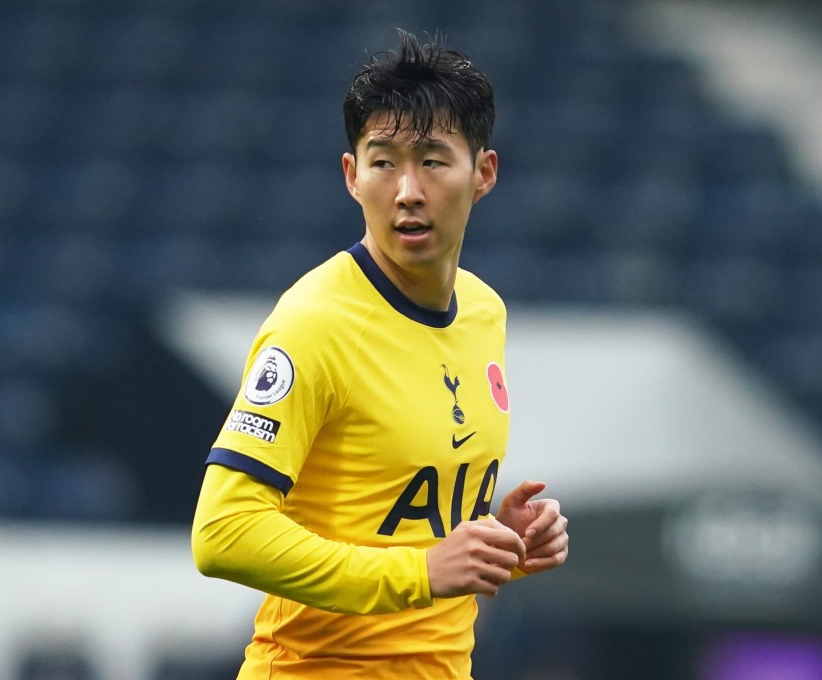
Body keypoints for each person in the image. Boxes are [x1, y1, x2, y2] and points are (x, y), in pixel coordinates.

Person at [192, 29, 569, 680]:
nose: (407, 190)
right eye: (384, 162)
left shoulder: (484, 311)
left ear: (483, 173)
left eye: (433, 160)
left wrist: (497, 541)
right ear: (352, 176)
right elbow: (223, 533)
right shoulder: (316, 323)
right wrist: (420, 571)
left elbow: (395, 517)